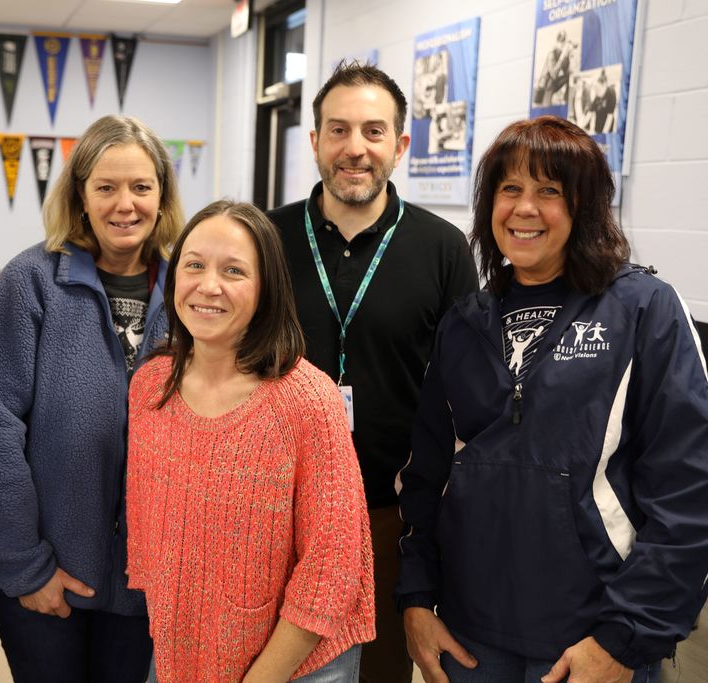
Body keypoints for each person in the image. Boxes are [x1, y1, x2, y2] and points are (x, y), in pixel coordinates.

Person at [396, 115, 708, 683]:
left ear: (585, 206)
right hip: (470, 637)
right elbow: (427, 476)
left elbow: (691, 490)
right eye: (509, 189)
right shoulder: (465, 324)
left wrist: (629, 637)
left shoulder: (643, 310)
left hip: (591, 639)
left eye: (549, 191)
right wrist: (417, 597)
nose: (524, 208)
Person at [267, 60, 478, 683]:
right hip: (275, 504)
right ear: (314, 142)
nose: (354, 148)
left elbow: (464, 395)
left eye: (373, 131)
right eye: (337, 130)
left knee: (377, 671)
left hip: (390, 511)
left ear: (400, 145)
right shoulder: (266, 237)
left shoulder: (443, 249)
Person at [0, 114, 184, 683]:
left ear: (162, 195)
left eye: (141, 186)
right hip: (46, 573)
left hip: (149, 584)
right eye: (106, 187)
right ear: (81, 195)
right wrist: (25, 567)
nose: (124, 204)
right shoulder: (30, 282)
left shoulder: (191, 287)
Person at [127, 200, 375, 682]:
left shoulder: (305, 399)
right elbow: (150, 534)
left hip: (297, 665)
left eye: (234, 270)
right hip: (183, 654)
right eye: (194, 265)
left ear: (266, 290)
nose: (209, 285)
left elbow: (333, 566)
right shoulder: (152, 385)